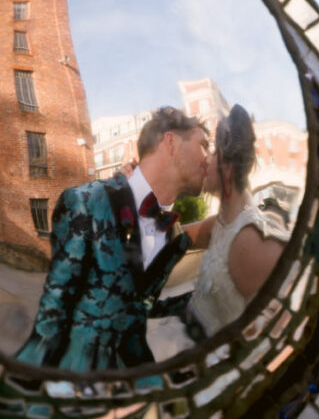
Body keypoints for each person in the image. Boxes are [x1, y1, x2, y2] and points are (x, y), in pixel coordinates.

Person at [16, 107, 209, 371]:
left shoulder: (170, 233)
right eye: (203, 145)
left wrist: (210, 294)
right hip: (78, 374)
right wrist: (27, 385)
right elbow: (55, 308)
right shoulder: (86, 201)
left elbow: (136, 304)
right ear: (172, 142)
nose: (207, 158)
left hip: (136, 375)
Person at [181, 104, 290, 342]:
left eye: (211, 153)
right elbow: (173, 238)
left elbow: (279, 335)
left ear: (227, 168)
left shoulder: (250, 241)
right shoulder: (218, 224)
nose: (205, 161)